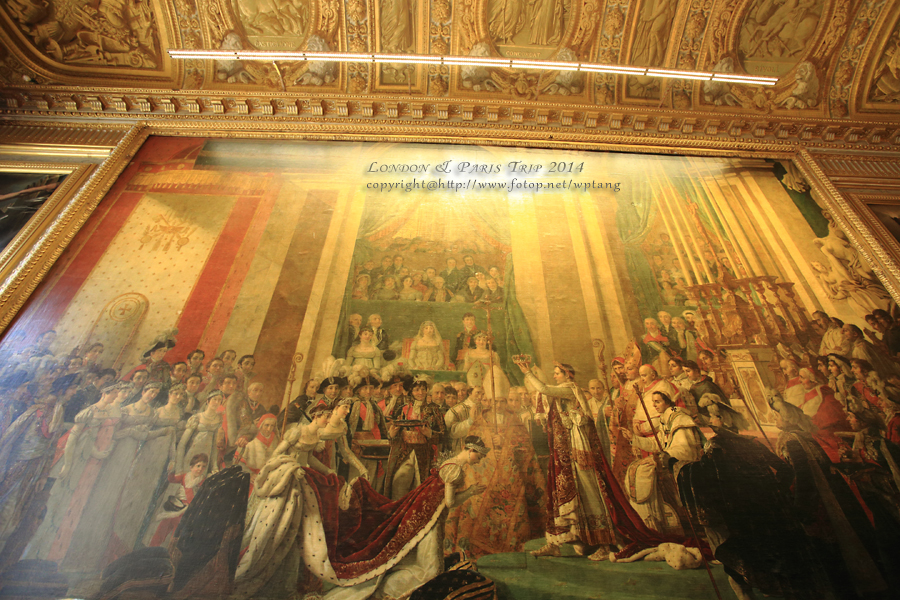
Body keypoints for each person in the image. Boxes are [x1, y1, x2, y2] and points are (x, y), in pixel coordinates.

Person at [515, 358, 672, 561]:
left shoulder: (570, 389)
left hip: (579, 449)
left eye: (557, 373)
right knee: (562, 493)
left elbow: (544, 389)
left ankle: (604, 544)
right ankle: (556, 543)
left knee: (590, 494)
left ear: (567, 375)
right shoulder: (562, 391)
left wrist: (527, 372)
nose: (554, 376)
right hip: (565, 452)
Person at [445, 393, 546, 557]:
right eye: (495, 401)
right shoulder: (480, 421)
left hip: (510, 478)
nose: (498, 405)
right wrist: (491, 448)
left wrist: (506, 443)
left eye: (502, 401)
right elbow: (470, 448)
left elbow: (526, 449)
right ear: (490, 402)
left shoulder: (515, 421)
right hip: (484, 475)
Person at [622, 391, 703, 535]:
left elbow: (685, 449)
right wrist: (633, 438)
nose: (654, 405)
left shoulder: (679, 420)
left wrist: (660, 458)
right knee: (637, 468)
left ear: (667, 402)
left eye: (658, 401)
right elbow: (657, 443)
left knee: (644, 471)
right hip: (670, 463)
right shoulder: (666, 419)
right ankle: (651, 523)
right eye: (653, 402)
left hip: (684, 466)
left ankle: (657, 523)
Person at [384, 378, 445, 499]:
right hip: (404, 452)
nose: (420, 393)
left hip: (425, 454)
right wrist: (392, 434)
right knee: (399, 481)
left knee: (421, 486)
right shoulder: (402, 409)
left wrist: (430, 433)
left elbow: (443, 435)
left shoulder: (434, 409)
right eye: (417, 390)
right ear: (411, 392)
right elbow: (394, 433)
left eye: (423, 389)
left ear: (427, 390)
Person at [147, 453, 208, 548]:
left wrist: (191, 503)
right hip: (175, 508)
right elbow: (172, 479)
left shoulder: (203, 481)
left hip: (187, 512)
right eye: (198, 466)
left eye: (203, 467)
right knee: (161, 530)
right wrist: (172, 470)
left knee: (176, 537)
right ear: (191, 467)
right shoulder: (185, 476)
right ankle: (151, 549)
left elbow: (201, 497)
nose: (200, 469)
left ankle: (171, 553)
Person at [463, 332, 510, 399]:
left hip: (488, 380)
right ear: (475, 341)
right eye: (479, 340)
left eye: (484, 340)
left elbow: (498, 370)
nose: (481, 342)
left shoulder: (492, 354)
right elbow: (466, 368)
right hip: (472, 380)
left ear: (487, 342)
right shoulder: (469, 353)